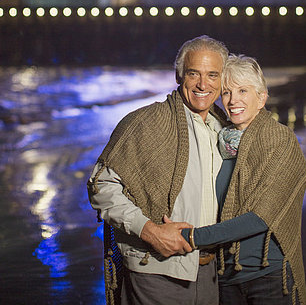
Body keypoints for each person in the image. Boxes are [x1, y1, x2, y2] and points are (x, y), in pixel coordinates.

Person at [88, 35, 229, 305]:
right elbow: (100, 185)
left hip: (210, 273)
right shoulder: (146, 123)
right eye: (193, 74)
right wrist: (149, 231)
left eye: (213, 75)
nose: (203, 84)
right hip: (156, 272)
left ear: (223, 80)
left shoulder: (223, 128)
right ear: (179, 76)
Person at [179, 54, 306, 305]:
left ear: (261, 98)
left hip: (269, 276)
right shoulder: (218, 142)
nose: (233, 100)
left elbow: (261, 216)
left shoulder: (280, 142)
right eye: (227, 92)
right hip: (225, 276)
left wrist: (191, 237)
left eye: (243, 90)